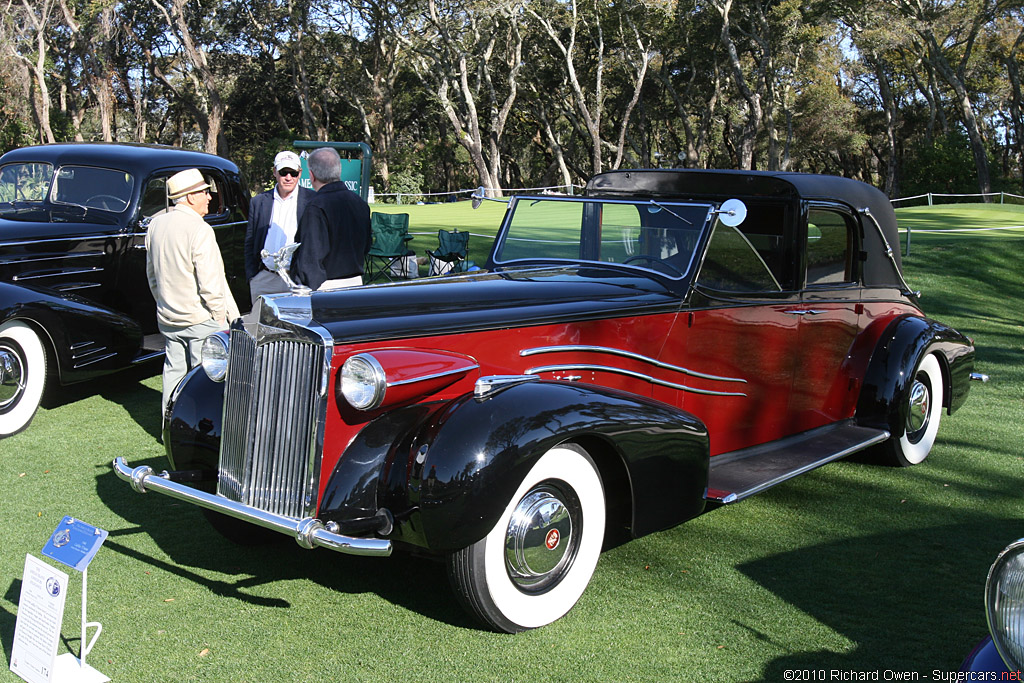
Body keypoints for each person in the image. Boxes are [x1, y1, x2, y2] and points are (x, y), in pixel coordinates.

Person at [146, 168, 240, 415]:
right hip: (200, 319)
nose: (209, 197)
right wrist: (220, 317)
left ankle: (169, 425)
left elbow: (152, 277)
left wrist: (164, 303)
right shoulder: (200, 229)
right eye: (203, 192)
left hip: (168, 317)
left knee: (173, 374)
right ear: (189, 197)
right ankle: (197, 433)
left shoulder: (156, 225)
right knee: (206, 380)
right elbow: (210, 282)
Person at [290, 147, 371, 290]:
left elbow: (310, 257)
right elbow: (366, 246)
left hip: (325, 286)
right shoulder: (360, 204)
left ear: (312, 175)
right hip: (355, 284)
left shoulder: (316, 207)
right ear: (338, 171)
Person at [244, 150, 316, 304]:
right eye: (284, 172)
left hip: (298, 280)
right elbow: (250, 241)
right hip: (265, 278)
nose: (288, 177)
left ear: (300, 173)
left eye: (293, 173)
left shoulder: (313, 201)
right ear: (275, 172)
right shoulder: (258, 202)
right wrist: (253, 276)